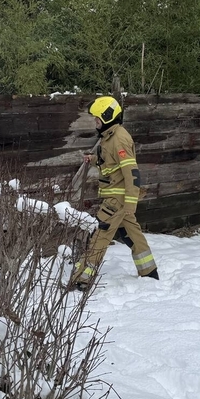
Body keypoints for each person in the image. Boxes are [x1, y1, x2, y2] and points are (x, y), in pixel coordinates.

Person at [67, 96, 158, 291]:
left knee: (98, 236)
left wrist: (130, 204)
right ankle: (149, 272)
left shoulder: (120, 139)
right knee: (133, 235)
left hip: (116, 201)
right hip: (116, 199)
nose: (95, 122)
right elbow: (107, 161)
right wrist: (92, 158)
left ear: (108, 117)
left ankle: (81, 278)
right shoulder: (109, 138)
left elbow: (132, 173)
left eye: (97, 119)